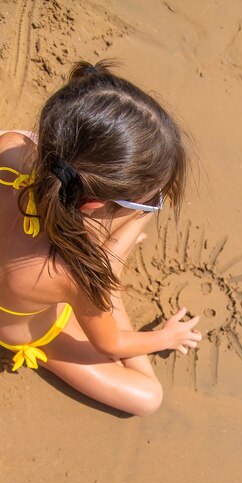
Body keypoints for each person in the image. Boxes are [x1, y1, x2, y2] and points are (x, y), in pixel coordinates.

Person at [0, 60, 202, 417]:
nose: (152, 205)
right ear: (94, 203)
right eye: (149, 201)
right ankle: (108, 275)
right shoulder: (71, 273)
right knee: (146, 397)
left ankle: (105, 268)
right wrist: (166, 338)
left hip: (29, 274)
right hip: (29, 329)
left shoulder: (11, 147)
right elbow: (111, 343)